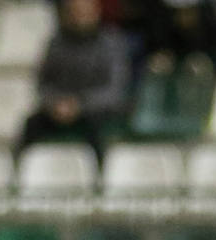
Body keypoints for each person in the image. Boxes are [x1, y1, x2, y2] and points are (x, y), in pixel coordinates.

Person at [17, 0, 132, 162]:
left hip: (97, 112)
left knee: (99, 131)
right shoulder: (56, 43)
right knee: (32, 124)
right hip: (59, 109)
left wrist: (80, 105)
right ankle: (21, 171)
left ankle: (101, 174)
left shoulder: (111, 43)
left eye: (85, 12)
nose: (80, 17)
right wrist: (55, 103)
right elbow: (43, 84)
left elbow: (114, 90)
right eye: (75, 12)